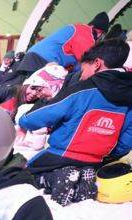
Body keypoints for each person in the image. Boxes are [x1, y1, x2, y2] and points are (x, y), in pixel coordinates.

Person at [18, 39, 132, 205]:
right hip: (97, 159)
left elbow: (50, 110)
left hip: (62, 153)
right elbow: (128, 136)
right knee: (80, 169)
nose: (82, 75)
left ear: (97, 64)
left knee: (23, 173)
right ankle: (80, 184)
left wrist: (24, 122)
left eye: (83, 70)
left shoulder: (84, 89)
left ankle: (55, 178)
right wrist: (111, 153)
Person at [3, 12, 110, 86]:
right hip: (44, 61)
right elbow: (87, 60)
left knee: (22, 90)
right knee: (33, 93)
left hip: (34, 57)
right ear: (101, 32)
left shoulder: (76, 28)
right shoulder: (86, 33)